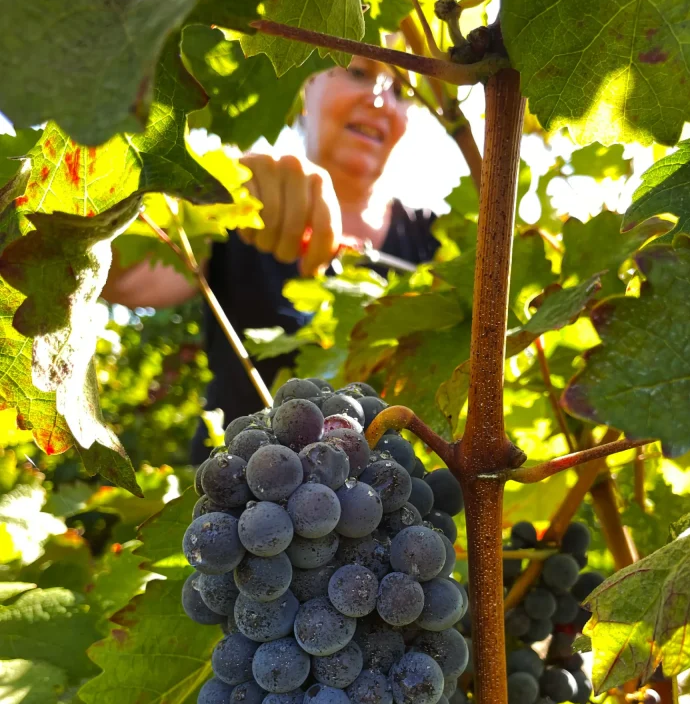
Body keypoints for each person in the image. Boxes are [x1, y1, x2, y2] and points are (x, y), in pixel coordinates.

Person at [101, 57, 440, 462]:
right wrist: (211, 196)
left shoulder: (441, 247)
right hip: (238, 509)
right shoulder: (240, 205)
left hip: (384, 511)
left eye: (402, 88)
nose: (382, 100)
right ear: (303, 88)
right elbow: (116, 277)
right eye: (357, 71)